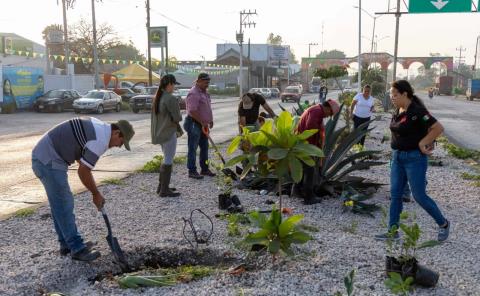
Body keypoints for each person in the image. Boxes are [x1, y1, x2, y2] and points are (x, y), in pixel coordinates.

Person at [31, 117, 135, 261]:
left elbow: (80, 151)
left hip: (46, 155)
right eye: (121, 143)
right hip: (48, 159)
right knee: (64, 203)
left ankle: (66, 244)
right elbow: (83, 171)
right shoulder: (100, 140)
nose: (118, 146)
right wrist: (95, 193)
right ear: (117, 133)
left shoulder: (100, 127)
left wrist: (94, 190)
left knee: (59, 204)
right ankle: (77, 248)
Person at [375, 80, 450, 242]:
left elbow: (438, 128)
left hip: (414, 159)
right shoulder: (399, 110)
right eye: (391, 95)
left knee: (419, 196)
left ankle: (443, 224)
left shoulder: (417, 111)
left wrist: (424, 142)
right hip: (397, 158)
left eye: (395, 95)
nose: (392, 97)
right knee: (395, 195)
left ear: (405, 94)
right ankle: (392, 231)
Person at [296, 99, 340, 205]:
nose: (329, 116)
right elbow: (310, 131)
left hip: (303, 145)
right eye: (330, 113)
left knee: (302, 170)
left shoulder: (316, 110)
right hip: (307, 146)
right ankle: (308, 197)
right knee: (309, 171)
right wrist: (314, 149)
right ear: (328, 108)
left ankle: (296, 192)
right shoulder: (316, 112)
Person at [151, 74, 183, 197]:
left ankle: (161, 186)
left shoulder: (158, 97)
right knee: (168, 160)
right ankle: (164, 189)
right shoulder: (170, 98)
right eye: (174, 84)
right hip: (169, 132)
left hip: (160, 133)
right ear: (169, 84)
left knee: (165, 158)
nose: (174, 87)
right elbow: (177, 117)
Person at [184, 73, 216, 179]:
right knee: (193, 147)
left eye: (208, 82)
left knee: (205, 147)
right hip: (194, 123)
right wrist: (202, 122)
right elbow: (192, 111)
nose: (207, 84)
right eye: (206, 82)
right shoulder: (194, 93)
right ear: (199, 81)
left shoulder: (205, 93)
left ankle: (204, 169)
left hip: (203, 124)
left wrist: (210, 120)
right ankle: (192, 170)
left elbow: (207, 108)